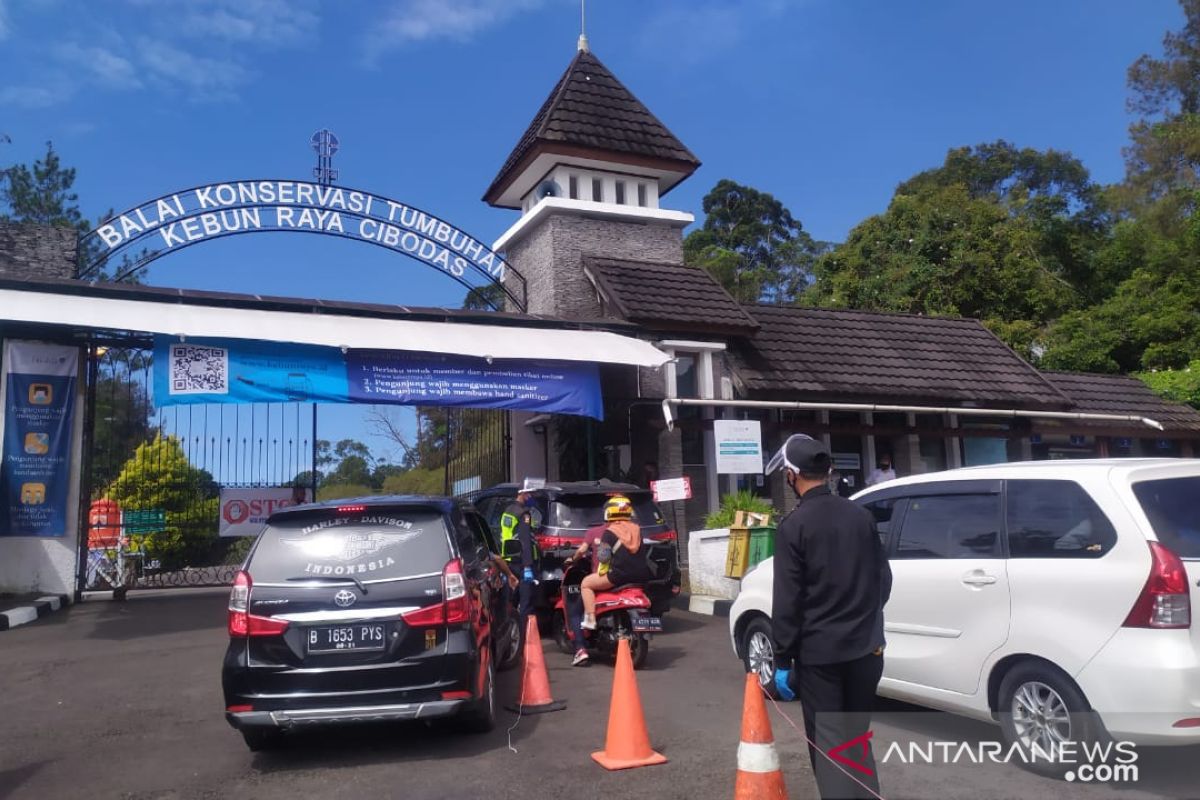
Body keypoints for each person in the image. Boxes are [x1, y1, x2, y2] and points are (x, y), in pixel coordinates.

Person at [767, 433, 892, 800]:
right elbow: (883, 580)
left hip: (822, 658)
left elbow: (788, 600)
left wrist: (782, 658)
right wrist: (866, 622)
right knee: (855, 740)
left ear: (792, 475)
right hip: (867, 651)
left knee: (830, 747)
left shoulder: (794, 526)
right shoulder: (860, 515)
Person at [579, 495, 655, 631]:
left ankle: (590, 619)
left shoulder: (610, 532)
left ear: (609, 512)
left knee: (585, 584)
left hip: (618, 576)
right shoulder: (637, 530)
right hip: (641, 577)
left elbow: (603, 558)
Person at [562, 521, 607, 666]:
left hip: (602, 579)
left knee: (575, 611)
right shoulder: (628, 530)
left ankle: (580, 648)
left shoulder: (594, 532)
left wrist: (572, 559)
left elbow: (582, 550)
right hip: (628, 577)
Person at [499, 489, 539, 625]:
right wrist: (528, 566)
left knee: (510, 603)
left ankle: (510, 635)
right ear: (522, 494)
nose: (532, 497)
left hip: (509, 562)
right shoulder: (524, 514)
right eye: (530, 494)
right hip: (522, 563)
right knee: (526, 604)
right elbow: (525, 541)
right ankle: (524, 639)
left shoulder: (507, 511)